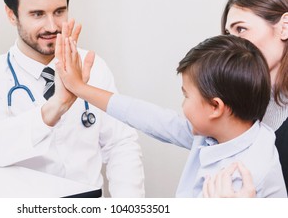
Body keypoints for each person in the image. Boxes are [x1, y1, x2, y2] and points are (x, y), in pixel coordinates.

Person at [0, 0, 144, 197]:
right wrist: (56, 107)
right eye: (37, 14)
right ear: (11, 14)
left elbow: (121, 144)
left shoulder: (93, 66)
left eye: (60, 11)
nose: (52, 26)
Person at [56, 33, 287, 197]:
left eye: (186, 96)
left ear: (215, 107)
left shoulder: (240, 180)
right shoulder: (229, 131)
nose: (182, 104)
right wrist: (81, 89)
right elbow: (151, 118)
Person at [222, 0, 288, 192]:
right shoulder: (239, 105)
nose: (231, 44)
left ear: (284, 28)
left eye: (241, 29)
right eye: (227, 34)